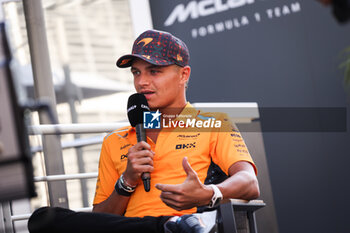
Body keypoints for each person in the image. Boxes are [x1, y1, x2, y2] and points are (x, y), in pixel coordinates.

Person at [28, 30, 259, 233]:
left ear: (184, 75)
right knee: (41, 220)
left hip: (192, 224)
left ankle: (173, 226)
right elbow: (100, 218)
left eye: (154, 71)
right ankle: (167, 227)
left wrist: (208, 193)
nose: (142, 82)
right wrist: (127, 180)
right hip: (138, 228)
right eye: (136, 73)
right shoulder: (115, 140)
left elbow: (249, 183)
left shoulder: (214, 124)